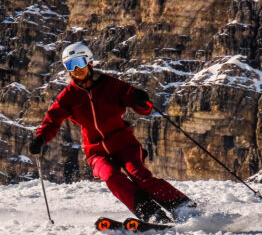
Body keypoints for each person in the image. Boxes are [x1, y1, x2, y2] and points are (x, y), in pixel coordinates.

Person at [29, 42, 195, 223]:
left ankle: (181, 206)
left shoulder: (110, 85)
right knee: (111, 177)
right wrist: (41, 137)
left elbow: (141, 106)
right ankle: (151, 214)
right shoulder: (68, 96)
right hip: (95, 151)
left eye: (79, 63)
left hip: (124, 143)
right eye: (70, 65)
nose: (76, 69)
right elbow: (52, 119)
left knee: (140, 176)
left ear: (89, 62)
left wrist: (141, 101)